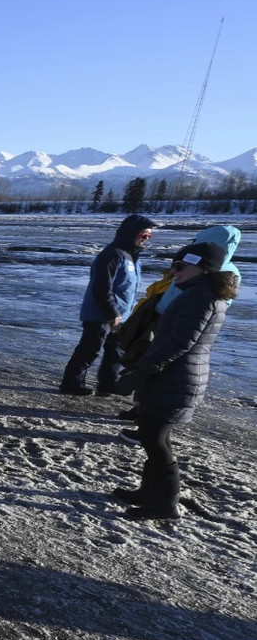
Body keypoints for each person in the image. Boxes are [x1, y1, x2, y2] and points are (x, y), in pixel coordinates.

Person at [110, 242, 237, 521]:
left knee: (155, 440)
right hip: (174, 377)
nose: (173, 271)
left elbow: (179, 343)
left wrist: (141, 371)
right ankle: (148, 492)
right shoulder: (200, 293)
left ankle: (165, 504)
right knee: (151, 435)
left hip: (177, 379)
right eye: (173, 265)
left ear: (203, 268)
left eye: (180, 266)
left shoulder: (201, 298)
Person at [115, 224, 243, 420]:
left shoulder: (203, 274)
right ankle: (145, 411)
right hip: (180, 321)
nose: (175, 271)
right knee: (156, 364)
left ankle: (148, 415)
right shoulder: (220, 270)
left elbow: (181, 314)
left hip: (174, 321)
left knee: (157, 364)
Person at [59, 213, 159, 396]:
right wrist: (112, 312)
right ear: (131, 233)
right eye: (144, 234)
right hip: (100, 313)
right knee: (90, 348)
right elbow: (102, 286)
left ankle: (108, 383)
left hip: (122, 314)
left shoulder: (132, 257)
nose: (146, 239)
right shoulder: (112, 254)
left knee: (116, 350)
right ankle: (71, 383)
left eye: (149, 236)